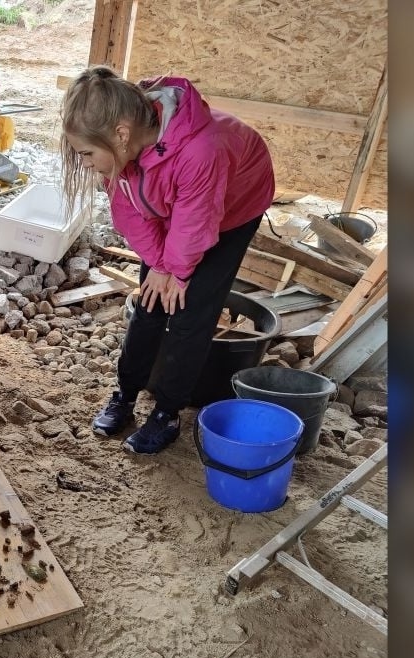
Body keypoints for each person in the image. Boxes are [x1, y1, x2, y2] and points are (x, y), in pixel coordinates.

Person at [60, 66, 275, 455]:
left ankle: (168, 413)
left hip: (232, 207)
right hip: (176, 199)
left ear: (120, 134)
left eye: (88, 154)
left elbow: (196, 223)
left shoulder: (201, 150)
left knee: (191, 311)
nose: (87, 163)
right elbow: (129, 213)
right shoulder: (118, 150)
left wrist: (177, 271)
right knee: (150, 300)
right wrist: (159, 266)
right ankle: (126, 392)